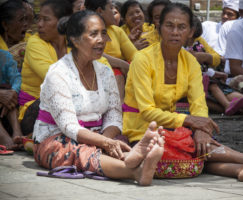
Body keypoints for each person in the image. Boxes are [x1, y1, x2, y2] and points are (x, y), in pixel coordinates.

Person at [123, 3, 243, 181]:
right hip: (142, 130)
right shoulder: (142, 59)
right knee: (183, 151)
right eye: (169, 25)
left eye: (181, 27)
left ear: (191, 32)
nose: (175, 32)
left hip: (173, 127)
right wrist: (192, 121)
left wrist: (201, 130)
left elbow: (198, 103)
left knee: (200, 145)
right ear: (159, 28)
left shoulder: (190, 62)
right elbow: (146, 111)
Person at [33, 10, 164, 186]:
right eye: (93, 34)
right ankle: (136, 171)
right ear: (74, 39)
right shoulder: (58, 73)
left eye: (104, 33)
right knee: (78, 152)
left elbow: (114, 115)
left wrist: (106, 140)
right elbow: (68, 126)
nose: (102, 40)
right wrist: (104, 142)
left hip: (99, 135)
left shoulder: (105, 71)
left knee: (115, 146)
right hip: (56, 138)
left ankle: (134, 159)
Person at [19, 0, 73, 136]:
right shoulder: (35, 42)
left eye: (46, 19)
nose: (39, 24)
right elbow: (53, 78)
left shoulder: (74, 42)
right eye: (39, 19)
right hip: (34, 110)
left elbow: (99, 60)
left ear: (63, 22)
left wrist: (122, 64)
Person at [85, 0, 138, 103]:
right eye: (111, 8)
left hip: (121, 74)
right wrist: (122, 64)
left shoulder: (116, 30)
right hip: (94, 74)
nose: (114, 11)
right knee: (116, 73)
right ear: (100, 11)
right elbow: (94, 55)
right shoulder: (85, 30)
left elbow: (134, 55)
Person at [0, 50, 23, 150]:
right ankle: (2, 135)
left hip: (4, 107)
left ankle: (17, 131)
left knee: (9, 93)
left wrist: (12, 93)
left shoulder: (4, 56)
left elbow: (17, 79)